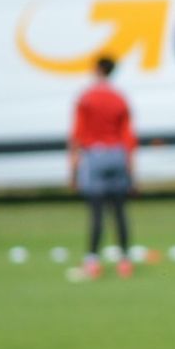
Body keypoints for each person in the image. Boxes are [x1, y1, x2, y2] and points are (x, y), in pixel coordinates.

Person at [68, 54, 137, 280]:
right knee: (119, 211)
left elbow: (77, 134)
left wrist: (73, 168)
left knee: (96, 212)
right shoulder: (119, 98)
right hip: (117, 154)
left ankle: (92, 262)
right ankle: (125, 262)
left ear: (97, 70)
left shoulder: (86, 98)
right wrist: (132, 169)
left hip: (95, 155)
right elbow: (128, 137)